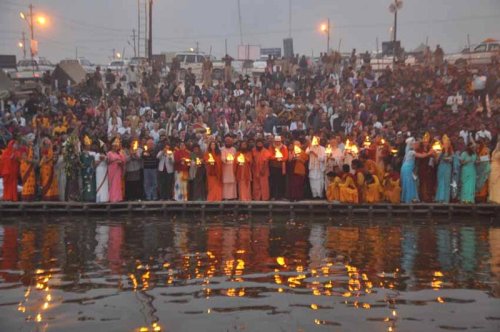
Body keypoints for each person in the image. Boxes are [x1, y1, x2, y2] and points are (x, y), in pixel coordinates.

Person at [400, 139, 433, 203]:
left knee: (407, 182)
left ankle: (406, 198)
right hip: (408, 168)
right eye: (414, 144)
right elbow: (422, 156)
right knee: (410, 182)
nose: (415, 145)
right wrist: (429, 153)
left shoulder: (408, 152)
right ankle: (410, 198)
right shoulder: (412, 152)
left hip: (405, 167)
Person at [416, 133, 436, 202]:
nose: (425, 143)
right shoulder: (419, 149)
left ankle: (429, 197)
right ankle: (423, 197)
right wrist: (429, 154)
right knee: (423, 183)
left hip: (429, 168)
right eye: (424, 142)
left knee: (429, 183)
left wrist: (433, 153)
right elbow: (422, 156)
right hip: (422, 167)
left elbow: (434, 155)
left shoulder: (429, 148)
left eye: (426, 142)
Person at [434, 135, 453, 203]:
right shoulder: (440, 152)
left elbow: (451, 160)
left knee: (447, 182)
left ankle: (446, 199)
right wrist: (438, 155)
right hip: (441, 167)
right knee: (441, 182)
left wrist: (448, 159)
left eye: (447, 143)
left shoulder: (451, 152)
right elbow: (436, 161)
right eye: (445, 144)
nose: (446, 145)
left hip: (448, 167)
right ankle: (440, 198)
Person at [107, 137, 126, 202]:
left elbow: (123, 161)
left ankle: (118, 197)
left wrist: (120, 162)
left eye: (116, 146)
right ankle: (112, 198)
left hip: (118, 170)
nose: (115, 148)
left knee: (117, 183)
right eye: (114, 146)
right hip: (112, 169)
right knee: (112, 183)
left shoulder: (119, 154)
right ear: (112, 146)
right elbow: (108, 162)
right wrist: (114, 160)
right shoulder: (109, 153)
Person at [19, 134, 36, 201]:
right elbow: (25, 158)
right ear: (28, 141)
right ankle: (26, 197)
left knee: (31, 181)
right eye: (31, 141)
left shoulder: (31, 148)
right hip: (25, 167)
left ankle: (30, 198)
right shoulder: (24, 148)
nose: (32, 142)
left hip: (30, 167)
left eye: (33, 141)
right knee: (26, 182)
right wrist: (35, 162)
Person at [81, 136, 97, 202]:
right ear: (85, 146)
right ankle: (86, 197)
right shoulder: (82, 154)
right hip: (85, 171)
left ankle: (92, 197)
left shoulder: (91, 154)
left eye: (89, 145)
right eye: (87, 145)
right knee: (87, 184)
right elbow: (84, 162)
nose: (89, 146)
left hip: (91, 171)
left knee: (91, 184)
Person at [475, 139, 491, 203]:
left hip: (484, 170)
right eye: (476, 144)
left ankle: (483, 198)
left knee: (483, 184)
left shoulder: (485, 149)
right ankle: (477, 197)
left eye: (478, 144)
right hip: (478, 170)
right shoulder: (476, 150)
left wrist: (479, 159)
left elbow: (487, 158)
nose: (477, 145)